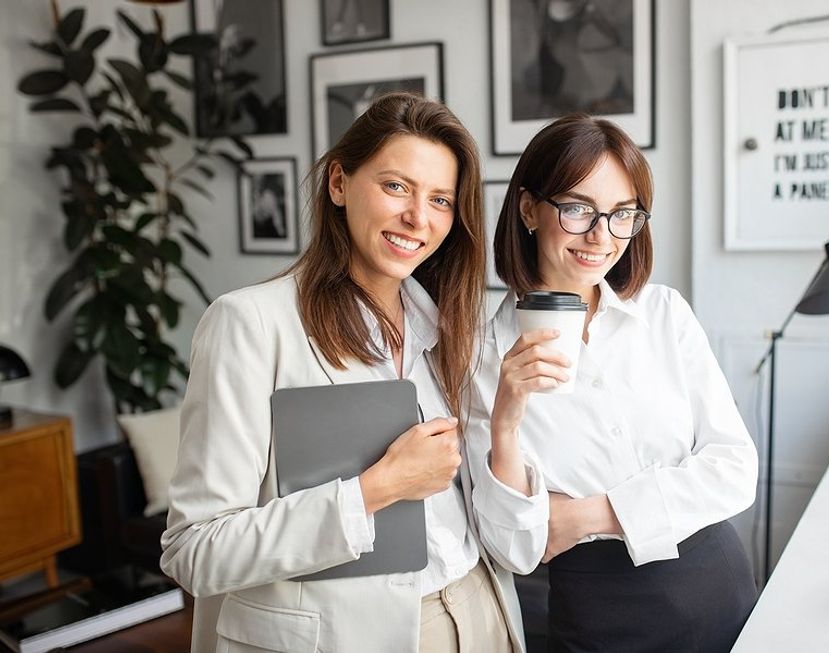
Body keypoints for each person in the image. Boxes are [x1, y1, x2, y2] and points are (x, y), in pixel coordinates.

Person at [161, 93, 526, 653]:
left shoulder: (454, 329)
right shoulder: (251, 324)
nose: (418, 218)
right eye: (396, 186)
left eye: (441, 200)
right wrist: (375, 490)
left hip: (480, 611)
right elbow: (195, 549)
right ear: (338, 184)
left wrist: (507, 425)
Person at [467, 114, 759, 652]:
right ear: (529, 209)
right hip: (600, 610)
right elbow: (515, 547)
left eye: (622, 214)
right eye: (578, 209)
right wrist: (506, 423)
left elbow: (735, 469)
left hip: (719, 581)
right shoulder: (483, 359)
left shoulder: (665, 314)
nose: (601, 236)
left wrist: (582, 514)